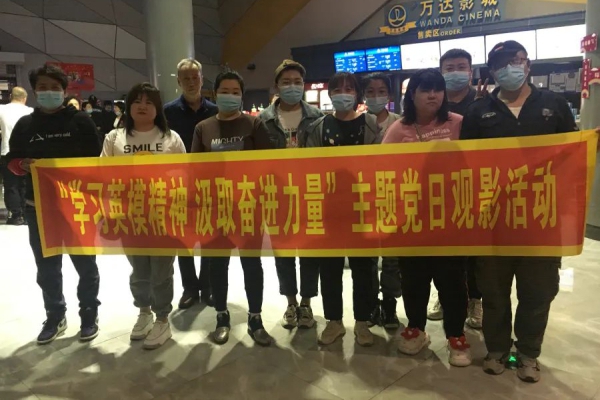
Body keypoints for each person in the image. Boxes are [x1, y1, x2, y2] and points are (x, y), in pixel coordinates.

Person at [461, 40, 578, 383]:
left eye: (517, 60)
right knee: (494, 292)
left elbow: (571, 154)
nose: (511, 67)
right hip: (493, 219)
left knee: (537, 291)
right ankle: (497, 349)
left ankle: (528, 353)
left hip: (541, 218)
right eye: (502, 63)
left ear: (528, 64)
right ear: (492, 70)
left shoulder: (554, 105)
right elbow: (465, 164)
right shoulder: (478, 112)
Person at [5, 65, 101, 344]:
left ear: (64, 90)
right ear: (35, 91)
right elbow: (11, 161)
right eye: (43, 87)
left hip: (77, 205)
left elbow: (96, 159)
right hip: (38, 207)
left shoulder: (80, 121)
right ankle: (55, 315)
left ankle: (89, 313)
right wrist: (23, 164)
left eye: (55, 88)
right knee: (47, 268)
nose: (49, 92)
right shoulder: (26, 125)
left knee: (85, 265)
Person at [383, 68, 471, 367]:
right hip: (412, 219)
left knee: (452, 281)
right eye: (425, 89)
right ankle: (416, 328)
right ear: (412, 95)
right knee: (414, 279)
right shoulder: (398, 129)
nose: (433, 95)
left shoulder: (458, 123)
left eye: (438, 89)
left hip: (451, 218)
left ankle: (456, 335)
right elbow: (380, 168)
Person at [191, 69, 273, 346]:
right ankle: (222, 317)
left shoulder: (254, 125)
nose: (230, 96)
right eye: (224, 91)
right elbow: (195, 169)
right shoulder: (203, 128)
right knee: (218, 264)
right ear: (215, 94)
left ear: (242, 96)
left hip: (248, 207)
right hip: (215, 208)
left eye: (235, 92)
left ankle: (255, 318)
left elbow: (269, 164)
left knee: (252, 264)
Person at [101, 82, 185, 350]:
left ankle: (162, 319)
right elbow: (103, 175)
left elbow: (185, 176)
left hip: (163, 216)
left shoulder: (171, 138)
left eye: (149, 102)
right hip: (130, 216)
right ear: (129, 106)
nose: (142, 106)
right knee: (139, 270)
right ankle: (144, 312)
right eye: (137, 100)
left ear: (158, 108)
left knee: (161, 271)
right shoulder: (114, 138)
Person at [299, 72, 379, 347]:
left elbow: (380, 165)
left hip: (363, 209)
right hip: (328, 210)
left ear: (357, 93)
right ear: (330, 93)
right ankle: (334, 321)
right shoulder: (319, 127)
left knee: (363, 269)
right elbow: (309, 167)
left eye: (349, 88)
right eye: (337, 88)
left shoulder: (371, 125)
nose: (343, 93)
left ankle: (362, 322)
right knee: (330, 269)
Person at [259, 59, 323, 330]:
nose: (292, 86)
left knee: (310, 251)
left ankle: (306, 303)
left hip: (309, 193)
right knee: (283, 252)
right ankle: (290, 302)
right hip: (278, 195)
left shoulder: (317, 116)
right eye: (286, 82)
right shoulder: (263, 120)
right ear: (276, 86)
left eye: (297, 82)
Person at [427, 49, 484, 330]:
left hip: (474, 186)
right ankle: (443, 296)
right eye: (449, 68)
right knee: (445, 249)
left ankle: (475, 299)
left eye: (461, 67)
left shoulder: (483, 103)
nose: (455, 72)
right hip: (440, 190)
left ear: (470, 72)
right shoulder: (434, 104)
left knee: (474, 250)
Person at [164, 58, 218, 309]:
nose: (191, 82)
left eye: (195, 77)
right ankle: (189, 288)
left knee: (208, 235)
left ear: (202, 79)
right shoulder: (167, 112)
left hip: (210, 183)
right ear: (178, 82)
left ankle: (207, 285)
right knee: (182, 237)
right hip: (178, 185)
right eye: (185, 78)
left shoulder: (216, 111)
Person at [361, 73, 402, 330]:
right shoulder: (357, 123)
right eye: (370, 91)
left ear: (389, 94)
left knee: (392, 258)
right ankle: (371, 304)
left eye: (381, 91)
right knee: (367, 258)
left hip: (394, 198)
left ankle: (389, 304)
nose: (376, 96)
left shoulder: (401, 123)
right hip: (364, 199)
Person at [0, 87, 33, 225]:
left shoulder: (1, 109)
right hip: (28, 153)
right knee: (26, 184)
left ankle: (16, 215)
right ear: (24, 98)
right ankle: (26, 214)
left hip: (7, 151)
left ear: (11, 97)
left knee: (11, 185)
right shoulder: (31, 111)